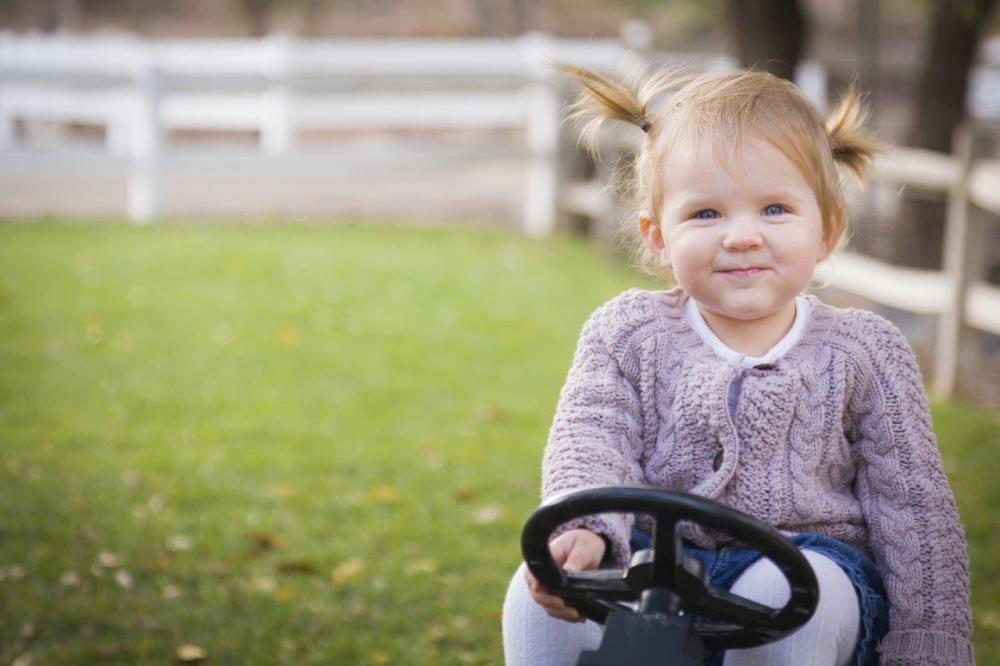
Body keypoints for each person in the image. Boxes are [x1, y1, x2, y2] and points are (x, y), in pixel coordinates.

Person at [501, 63, 973, 666]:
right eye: (706, 214)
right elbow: (591, 439)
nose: (742, 236)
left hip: (810, 566)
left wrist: (931, 642)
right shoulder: (628, 333)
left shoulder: (866, 352)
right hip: (651, 561)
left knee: (783, 589)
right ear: (658, 238)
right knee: (529, 592)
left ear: (826, 230)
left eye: (774, 209)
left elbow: (915, 511)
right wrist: (586, 530)